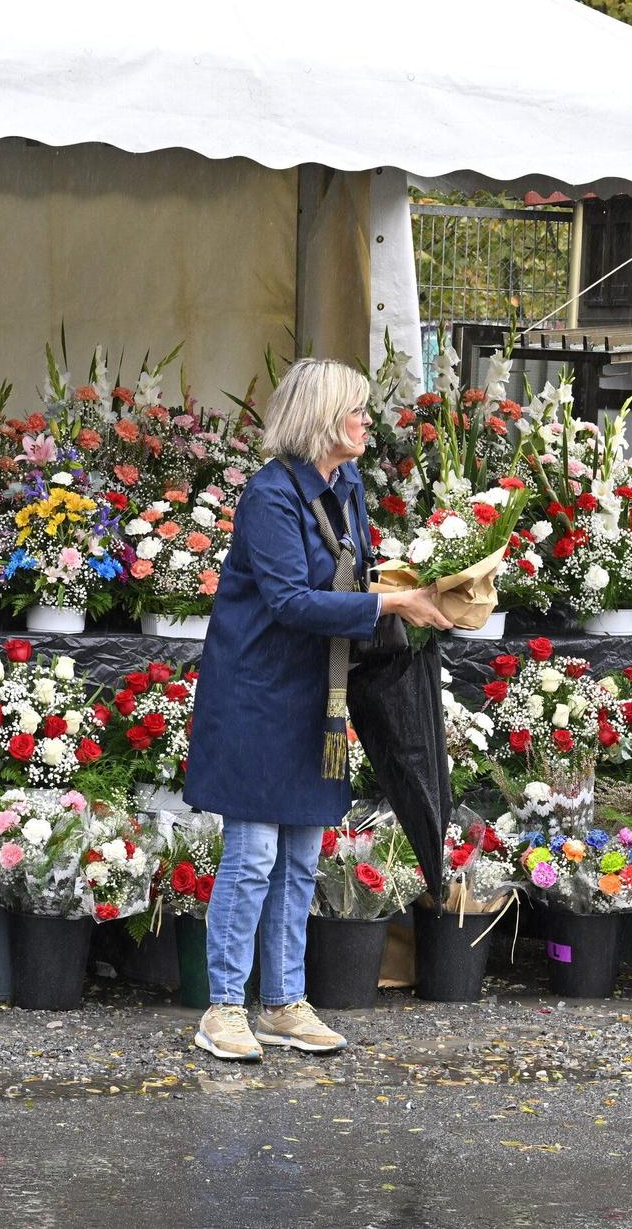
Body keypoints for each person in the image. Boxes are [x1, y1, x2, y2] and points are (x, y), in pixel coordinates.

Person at [182, 357, 451, 1063]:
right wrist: (391, 603)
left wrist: (424, 582)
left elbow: (353, 571)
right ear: (325, 420)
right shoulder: (271, 497)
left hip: (316, 697)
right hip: (255, 695)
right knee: (253, 856)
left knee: (301, 855)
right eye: (357, 410)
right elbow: (290, 602)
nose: (368, 421)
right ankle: (222, 1009)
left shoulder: (347, 485)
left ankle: (283, 1002)